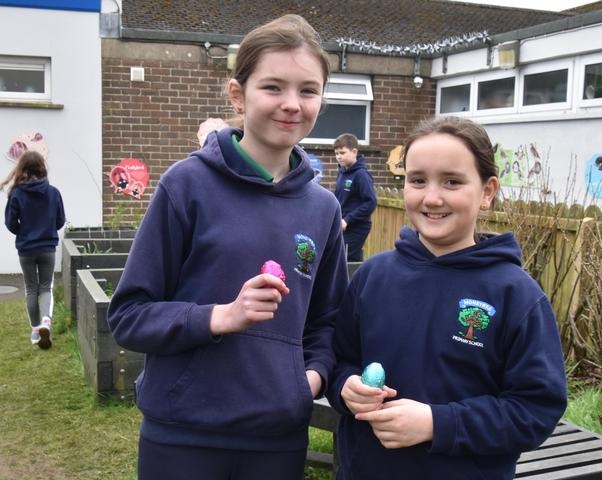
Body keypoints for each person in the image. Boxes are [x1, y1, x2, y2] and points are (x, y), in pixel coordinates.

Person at [107, 14, 348, 480]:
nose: (291, 104)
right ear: (238, 94)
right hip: (182, 434)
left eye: (308, 90)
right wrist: (219, 316)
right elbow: (129, 316)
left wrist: (308, 380)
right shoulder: (186, 185)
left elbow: (328, 323)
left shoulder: (322, 209)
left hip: (277, 439)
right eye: (273, 87)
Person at [328, 116, 567, 479]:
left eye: (452, 181)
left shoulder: (516, 295)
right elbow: (340, 361)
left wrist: (437, 424)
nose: (432, 197)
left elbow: (535, 410)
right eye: (417, 180)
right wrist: (345, 387)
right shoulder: (373, 276)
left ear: (487, 192)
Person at [3, 150, 66, 349]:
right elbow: (60, 221)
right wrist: (47, 229)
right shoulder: (53, 192)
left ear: (22, 168)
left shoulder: (16, 193)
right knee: (46, 287)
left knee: (31, 288)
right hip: (47, 248)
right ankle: (46, 320)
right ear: (41, 167)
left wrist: (24, 232)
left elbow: (10, 223)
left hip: (26, 249)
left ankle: (36, 331)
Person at [334, 133, 377, 262]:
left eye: (342, 153)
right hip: (342, 225)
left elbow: (370, 202)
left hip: (356, 227)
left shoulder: (361, 174)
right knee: (340, 260)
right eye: (336, 153)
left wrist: (348, 220)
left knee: (346, 261)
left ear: (354, 152)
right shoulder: (342, 173)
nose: (339, 156)